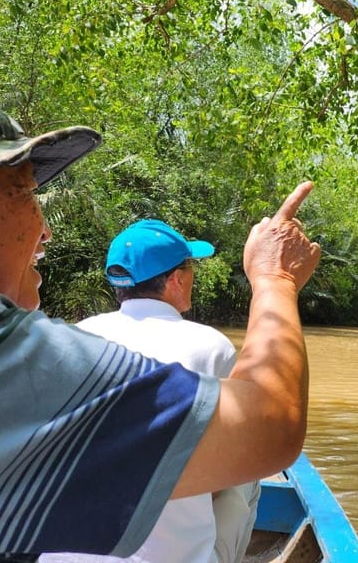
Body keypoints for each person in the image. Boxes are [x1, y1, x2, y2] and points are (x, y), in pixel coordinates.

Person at [0, 68, 320, 561]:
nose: (43, 233)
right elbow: (272, 426)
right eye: (25, 191)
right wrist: (275, 279)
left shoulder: (68, 335)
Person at [42, 220, 259, 563]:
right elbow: (229, 464)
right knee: (250, 473)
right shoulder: (210, 347)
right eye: (190, 267)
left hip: (62, 556)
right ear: (177, 279)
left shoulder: (74, 337)